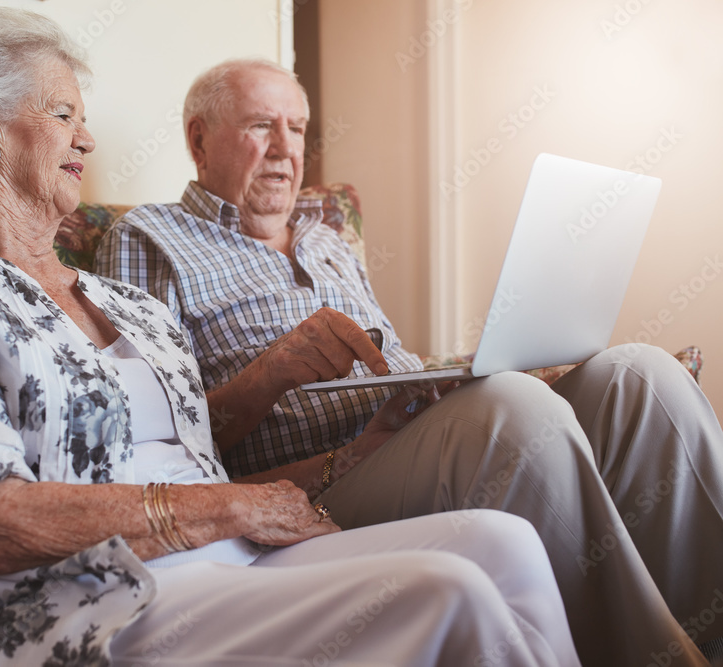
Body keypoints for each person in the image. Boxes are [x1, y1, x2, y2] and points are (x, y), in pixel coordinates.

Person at [0, 8, 583, 666]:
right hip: (77, 597)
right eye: (62, 111)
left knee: (504, 543)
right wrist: (226, 508)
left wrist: (359, 452)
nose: (88, 136)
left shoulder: (127, 304)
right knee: (446, 586)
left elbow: (212, 476)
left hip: (220, 558)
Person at [95, 58, 723, 667]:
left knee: (639, 376)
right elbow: (147, 439)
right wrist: (271, 374)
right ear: (198, 139)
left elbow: (387, 359)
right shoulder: (149, 238)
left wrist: (473, 372)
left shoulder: (327, 237)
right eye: (262, 125)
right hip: (315, 482)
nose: (287, 149)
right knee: (509, 411)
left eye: (298, 128)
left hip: (410, 435)